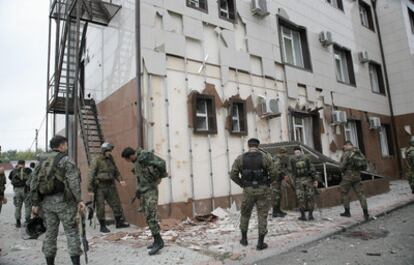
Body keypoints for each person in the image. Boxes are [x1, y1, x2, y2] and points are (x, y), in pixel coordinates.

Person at [30, 135, 84, 265]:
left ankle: (50, 262)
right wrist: (79, 200)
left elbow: (33, 183)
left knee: (50, 234)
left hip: (47, 204)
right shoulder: (65, 160)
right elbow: (74, 182)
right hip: (65, 203)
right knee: (71, 233)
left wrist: (35, 203)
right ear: (61, 145)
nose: (66, 147)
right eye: (65, 144)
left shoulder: (41, 160)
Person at [230, 138, 279, 250]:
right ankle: (260, 243)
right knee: (262, 215)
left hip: (248, 190)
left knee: (245, 214)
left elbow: (233, 174)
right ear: (258, 146)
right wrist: (268, 182)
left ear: (248, 145)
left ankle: (244, 239)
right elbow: (275, 172)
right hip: (263, 189)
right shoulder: (265, 157)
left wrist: (242, 184)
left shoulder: (241, 158)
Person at [122, 147, 165, 255]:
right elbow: (141, 178)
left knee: (151, 216)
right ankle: (157, 240)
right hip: (144, 192)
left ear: (130, 156)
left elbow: (162, 162)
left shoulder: (145, 156)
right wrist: (138, 191)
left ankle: (158, 242)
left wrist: (159, 178)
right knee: (148, 216)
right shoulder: (137, 162)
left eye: (127, 159)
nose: (128, 162)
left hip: (151, 191)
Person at [88, 142, 129, 233]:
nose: (109, 152)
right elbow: (91, 174)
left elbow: (115, 170)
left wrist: (120, 180)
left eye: (110, 151)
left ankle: (119, 222)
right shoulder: (97, 160)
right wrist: (90, 189)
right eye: (108, 151)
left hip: (110, 185)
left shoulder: (110, 159)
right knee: (101, 207)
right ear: (103, 151)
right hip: (100, 187)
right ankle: (102, 226)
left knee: (116, 204)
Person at [339, 140, 369, 221]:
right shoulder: (357, 152)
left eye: (344, 146)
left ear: (346, 145)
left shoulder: (347, 153)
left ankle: (347, 212)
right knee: (361, 194)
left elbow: (342, 166)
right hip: (357, 176)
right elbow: (364, 164)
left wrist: (341, 169)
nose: (343, 147)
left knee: (344, 192)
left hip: (348, 177)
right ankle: (366, 213)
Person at [288, 146, 318, 221]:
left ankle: (307, 216)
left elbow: (312, 169)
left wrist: (315, 180)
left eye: (297, 152)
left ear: (300, 152)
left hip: (303, 180)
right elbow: (312, 169)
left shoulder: (294, 159)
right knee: (305, 197)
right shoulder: (304, 158)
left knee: (305, 197)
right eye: (295, 152)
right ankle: (306, 216)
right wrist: (315, 179)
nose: (297, 154)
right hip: (304, 180)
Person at [8, 160, 32, 227]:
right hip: (26, 189)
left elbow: (10, 178)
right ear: (24, 164)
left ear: (18, 164)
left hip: (16, 190)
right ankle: (27, 221)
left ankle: (18, 222)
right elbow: (32, 178)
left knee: (18, 206)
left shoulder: (13, 171)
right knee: (28, 205)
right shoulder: (28, 170)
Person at [271, 147, 289, 218]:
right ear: (282, 153)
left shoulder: (278, 159)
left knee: (278, 196)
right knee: (276, 196)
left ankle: (278, 210)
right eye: (285, 153)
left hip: (277, 180)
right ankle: (274, 212)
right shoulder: (277, 160)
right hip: (275, 181)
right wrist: (283, 176)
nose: (285, 155)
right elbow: (277, 171)